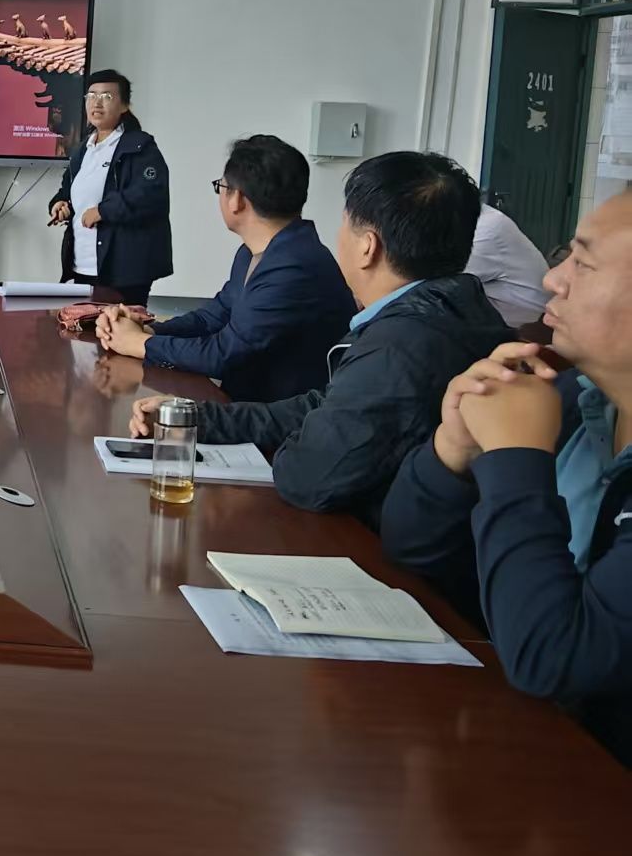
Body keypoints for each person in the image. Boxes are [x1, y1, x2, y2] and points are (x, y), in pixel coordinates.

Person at [129, 151, 513, 527]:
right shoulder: (450, 311)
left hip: (373, 547)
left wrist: (296, 443)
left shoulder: (402, 345)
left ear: (368, 247)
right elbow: (326, 405)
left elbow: (308, 476)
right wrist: (200, 419)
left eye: (345, 225)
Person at [383, 193, 632, 766]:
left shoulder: (541, 418)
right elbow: (411, 546)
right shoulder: (572, 398)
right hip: (510, 736)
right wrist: (454, 449)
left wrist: (517, 456)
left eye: (583, 264)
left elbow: (555, 659)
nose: (552, 280)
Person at [98, 135, 356, 402]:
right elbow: (212, 318)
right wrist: (148, 330)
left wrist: (139, 344)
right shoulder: (256, 252)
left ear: (238, 199)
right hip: (242, 406)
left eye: (221, 186)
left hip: (280, 420)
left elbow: (223, 355)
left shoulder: (294, 266)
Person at [46, 70, 171, 304]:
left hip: (124, 268)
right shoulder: (83, 148)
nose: (97, 103)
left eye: (107, 96)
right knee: (83, 326)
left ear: (124, 106)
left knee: (119, 326)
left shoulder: (139, 146)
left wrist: (103, 211)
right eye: (92, 96)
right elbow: (68, 190)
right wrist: (60, 204)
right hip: (83, 263)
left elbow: (150, 196)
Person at [468, 200, 552, 328]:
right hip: (502, 318)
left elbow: (444, 279)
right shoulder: (474, 218)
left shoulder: (485, 228)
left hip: (526, 327)